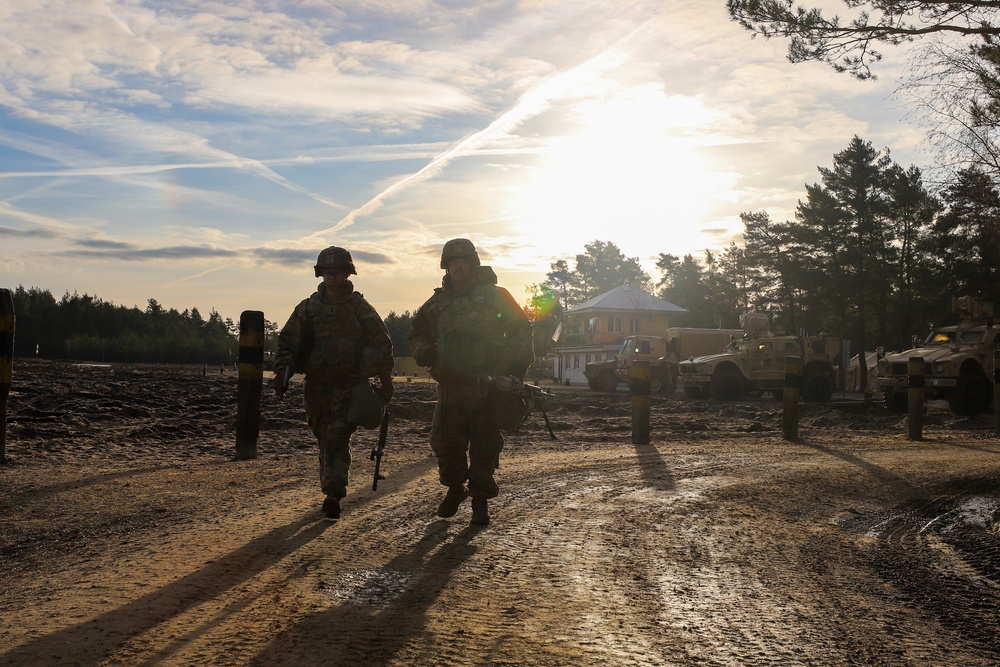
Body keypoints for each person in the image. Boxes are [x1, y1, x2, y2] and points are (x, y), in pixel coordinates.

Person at [408, 238, 533, 526]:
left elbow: (521, 328)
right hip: (452, 387)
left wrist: (516, 366)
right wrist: (424, 352)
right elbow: (416, 333)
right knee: (445, 445)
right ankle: (455, 489)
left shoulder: (495, 296)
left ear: (474, 265)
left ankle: (480, 503)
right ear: (446, 267)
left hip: (487, 387)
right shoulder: (437, 303)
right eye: (454, 263)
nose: (459, 267)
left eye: (464, 262)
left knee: (484, 447)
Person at [273, 246, 394, 519]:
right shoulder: (308, 308)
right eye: (327, 272)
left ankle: (333, 492)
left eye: (337, 271)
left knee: (338, 436)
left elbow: (382, 344)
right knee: (323, 436)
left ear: (347, 274)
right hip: (316, 385)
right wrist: (283, 372)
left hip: (348, 384)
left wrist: (385, 380)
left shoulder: (359, 308)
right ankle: (330, 483)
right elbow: (287, 344)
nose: (332, 277)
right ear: (320, 274)